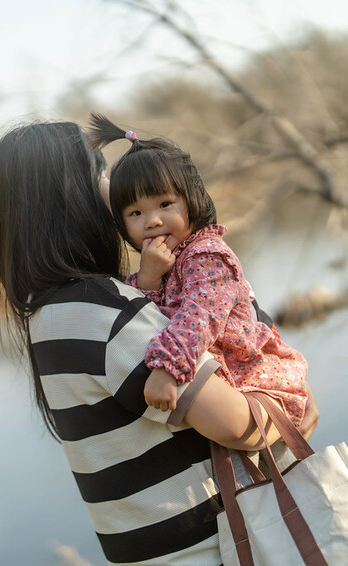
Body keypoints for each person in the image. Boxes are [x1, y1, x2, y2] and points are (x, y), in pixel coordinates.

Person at [0, 120, 318, 565]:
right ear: (74, 195)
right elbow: (238, 423)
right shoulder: (102, 311)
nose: (113, 189)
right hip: (200, 549)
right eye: (101, 174)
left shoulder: (49, 313)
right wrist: (295, 404)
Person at [88, 114, 310, 425]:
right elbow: (148, 320)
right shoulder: (167, 259)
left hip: (255, 377)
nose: (152, 220)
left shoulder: (206, 256)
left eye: (165, 204)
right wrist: (149, 278)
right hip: (221, 381)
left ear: (192, 200)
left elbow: (199, 314)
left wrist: (167, 369)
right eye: (136, 212)